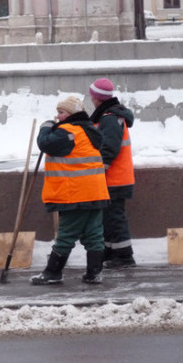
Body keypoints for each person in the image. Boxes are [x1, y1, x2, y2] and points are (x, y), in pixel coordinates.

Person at [30, 96, 110, 285]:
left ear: (72, 114)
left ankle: (52, 273)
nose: (57, 117)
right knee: (94, 234)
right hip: (95, 192)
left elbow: (45, 143)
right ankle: (94, 273)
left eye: (61, 112)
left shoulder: (69, 132)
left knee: (66, 234)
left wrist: (45, 127)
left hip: (75, 194)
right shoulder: (89, 131)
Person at [89, 78, 137, 268]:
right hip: (116, 178)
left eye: (92, 95)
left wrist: (99, 170)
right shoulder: (109, 115)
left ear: (97, 98)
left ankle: (124, 256)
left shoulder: (109, 117)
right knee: (108, 217)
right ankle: (110, 253)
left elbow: (109, 148)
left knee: (115, 218)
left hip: (114, 179)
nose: (91, 98)